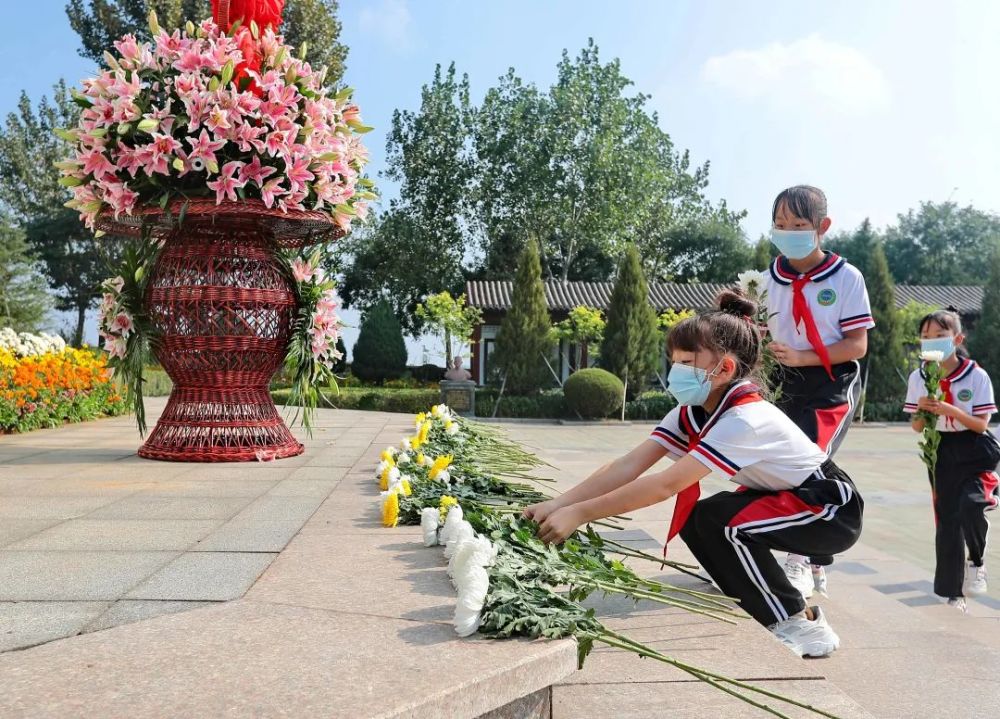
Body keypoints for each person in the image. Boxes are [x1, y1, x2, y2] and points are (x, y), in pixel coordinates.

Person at [524, 290, 863, 657]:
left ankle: (800, 620)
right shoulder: (692, 410)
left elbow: (666, 485)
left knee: (727, 524)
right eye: (674, 360)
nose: (675, 371)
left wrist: (581, 513)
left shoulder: (745, 419)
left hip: (829, 509)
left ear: (725, 369)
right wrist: (559, 503)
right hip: (785, 499)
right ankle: (746, 585)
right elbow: (628, 465)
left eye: (686, 361)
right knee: (699, 517)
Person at [765, 185, 874, 600]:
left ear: (822, 227)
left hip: (831, 383)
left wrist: (802, 356)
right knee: (774, 463)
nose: (788, 231)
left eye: (798, 224)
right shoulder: (768, 277)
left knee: (807, 459)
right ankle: (815, 557)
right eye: (779, 224)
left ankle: (799, 559)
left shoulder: (846, 277)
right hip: (781, 383)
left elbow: (856, 345)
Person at [904, 309, 1000, 612]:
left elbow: (981, 425)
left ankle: (977, 561)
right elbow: (917, 427)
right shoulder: (918, 377)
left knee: (971, 505)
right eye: (926, 336)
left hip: (974, 449)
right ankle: (952, 593)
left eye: (940, 336)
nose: (932, 341)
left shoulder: (976, 375)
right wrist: (922, 409)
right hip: (941, 450)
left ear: (957, 339)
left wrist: (949, 409)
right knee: (947, 521)